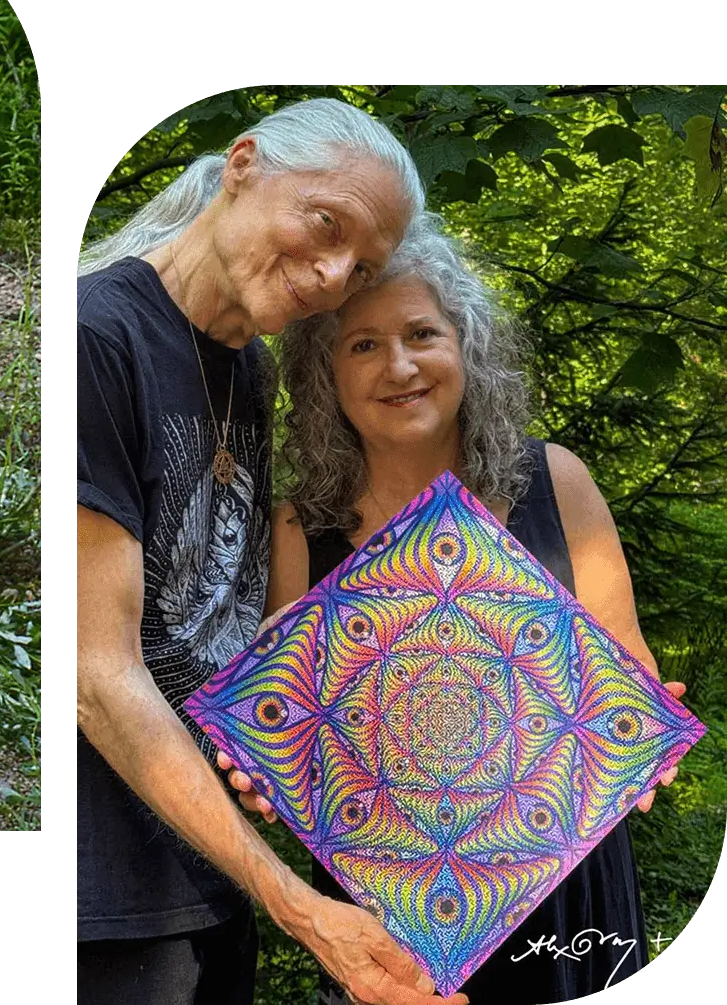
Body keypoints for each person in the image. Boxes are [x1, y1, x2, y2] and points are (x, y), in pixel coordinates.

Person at [225, 216, 684, 1005]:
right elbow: (290, 732)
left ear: (466, 348)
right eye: (362, 344)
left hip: (561, 886)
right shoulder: (303, 525)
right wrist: (262, 762)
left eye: (422, 334)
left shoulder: (555, 480)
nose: (399, 365)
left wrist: (643, 729)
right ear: (325, 375)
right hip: (387, 914)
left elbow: (626, 677)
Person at [75, 96, 471, 1005]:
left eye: (363, 264)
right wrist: (301, 906)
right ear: (245, 165)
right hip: (106, 898)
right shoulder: (98, 337)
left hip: (209, 880)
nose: (334, 275)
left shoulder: (244, 364)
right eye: (325, 224)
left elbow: (219, 632)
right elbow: (98, 679)